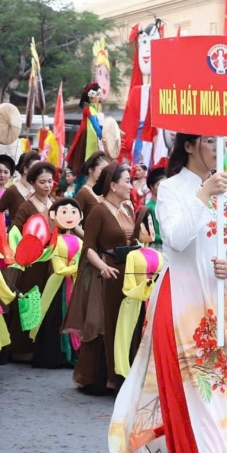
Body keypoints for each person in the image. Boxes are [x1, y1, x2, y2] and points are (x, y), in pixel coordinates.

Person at [109, 134, 227, 453]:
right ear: (193, 145)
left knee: (220, 400)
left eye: (224, 141)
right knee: (191, 402)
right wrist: (202, 196)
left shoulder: (226, 191)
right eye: (213, 141)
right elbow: (176, 241)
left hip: (217, 305)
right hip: (180, 305)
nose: (221, 148)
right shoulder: (171, 189)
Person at [67, 162, 136, 394]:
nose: (130, 185)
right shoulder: (98, 210)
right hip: (107, 274)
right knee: (106, 324)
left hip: (129, 274)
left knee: (126, 324)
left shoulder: (128, 208)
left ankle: (123, 374)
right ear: (113, 185)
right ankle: (103, 377)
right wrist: (102, 267)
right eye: (127, 181)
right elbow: (89, 247)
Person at [8, 161, 68, 368]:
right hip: (32, 263)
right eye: (42, 182)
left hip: (52, 262)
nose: (47, 185)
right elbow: (14, 230)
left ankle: (42, 345)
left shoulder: (54, 204)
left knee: (47, 303)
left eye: (49, 181)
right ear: (32, 183)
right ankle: (22, 347)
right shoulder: (26, 206)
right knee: (30, 301)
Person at [71, 152, 108, 222]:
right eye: (102, 170)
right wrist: (84, 233)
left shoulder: (105, 192)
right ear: (90, 170)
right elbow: (73, 222)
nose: (105, 173)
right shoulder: (83, 193)